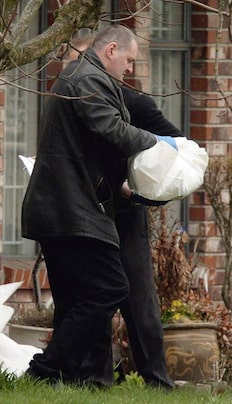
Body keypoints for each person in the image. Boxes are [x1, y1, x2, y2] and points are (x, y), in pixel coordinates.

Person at [21, 24, 177, 387]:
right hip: (72, 209)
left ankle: (64, 376)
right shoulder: (88, 79)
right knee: (110, 287)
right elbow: (112, 129)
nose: (130, 69)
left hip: (65, 208)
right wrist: (158, 144)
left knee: (77, 297)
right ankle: (46, 369)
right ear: (111, 50)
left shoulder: (82, 77)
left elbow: (94, 148)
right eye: (129, 60)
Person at [66, 28, 177, 388]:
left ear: (105, 52)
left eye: (81, 61)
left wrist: (140, 186)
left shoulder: (133, 102)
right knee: (95, 295)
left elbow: (174, 144)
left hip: (124, 212)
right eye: (72, 63)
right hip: (87, 210)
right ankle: (97, 379)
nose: (76, 71)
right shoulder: (70, 98)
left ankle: (156, 379)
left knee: (138, 297)